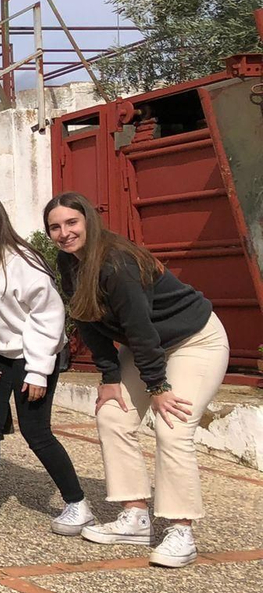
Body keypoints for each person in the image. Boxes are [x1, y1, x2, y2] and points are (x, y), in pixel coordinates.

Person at [46, 192, 230, 567]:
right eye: (55, 227)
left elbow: (140, 329)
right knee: (113, 415)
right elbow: (86, 318)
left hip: (195, 340)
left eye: (72, 223)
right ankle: (135, 516)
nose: (64, 233)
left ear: (89, 221)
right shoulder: (69, 262)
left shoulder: (117, 263)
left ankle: (181, 530)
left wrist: (158, 387)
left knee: (173, 426)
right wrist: (110, 376)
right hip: (149, 345)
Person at [0, 191, 85, 531]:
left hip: (33, 353)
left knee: (36, 431)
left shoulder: (22, 259)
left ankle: (77, 502)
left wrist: (39, 371)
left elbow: (47, 316)